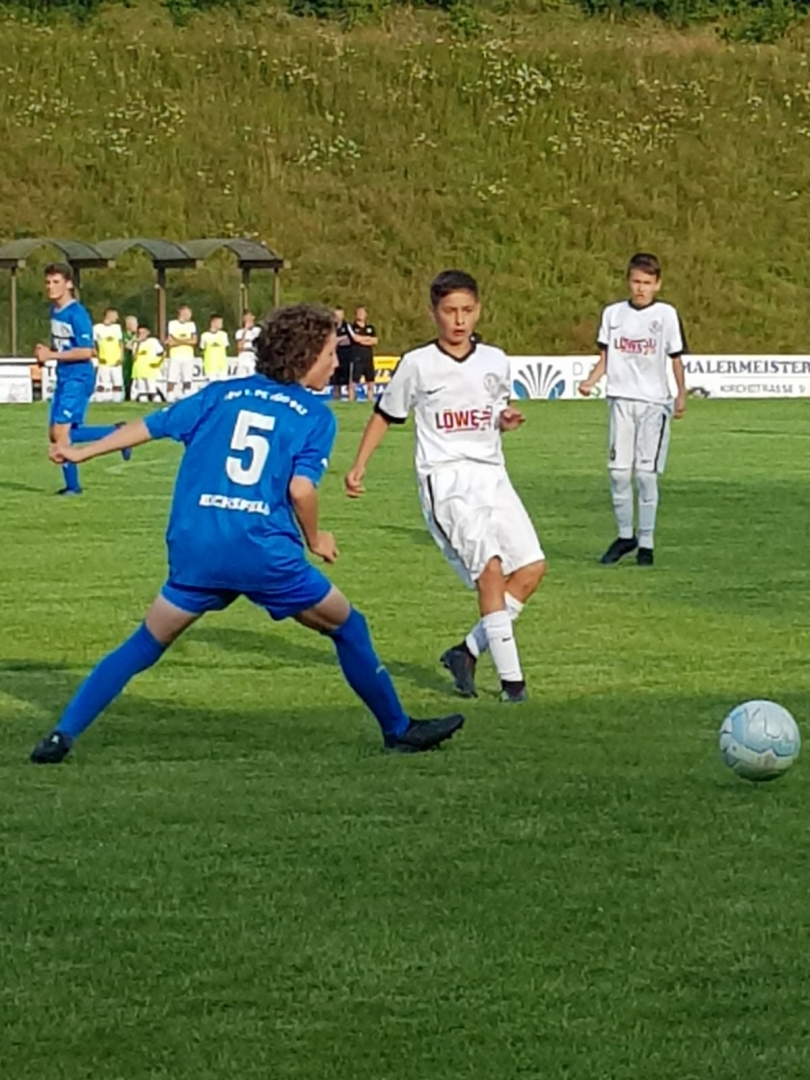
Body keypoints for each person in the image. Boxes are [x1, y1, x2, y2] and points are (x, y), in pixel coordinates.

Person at [30, 303, 464, 764]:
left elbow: (151, 426)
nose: (336, 363)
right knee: (348, 625)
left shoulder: (222, 394)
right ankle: (398, 729)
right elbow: (301, 489)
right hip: (261, 551)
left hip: (199, 544)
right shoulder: (315, 415)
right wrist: (316, 539)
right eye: (329, 354)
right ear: (305, 355)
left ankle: (62, 735)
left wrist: (85, 451)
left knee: (145, 642)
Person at [344, 270, 546, 703]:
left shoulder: (495, 359)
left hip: (492, 474)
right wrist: (359, 465)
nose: (459, 320)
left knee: (530, 570)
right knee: (490, 571)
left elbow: (493, 409)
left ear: (479, 311)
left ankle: (466, 652)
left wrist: (504, 419)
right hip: (446, 478)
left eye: (467, 311)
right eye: (450, 311)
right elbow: (386, 415)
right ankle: (514, 688)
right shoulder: (418, 364)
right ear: (433, 311)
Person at [578, 252, 687, 567]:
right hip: (620, 400)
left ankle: (647, 543)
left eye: (647, 283)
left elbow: (675, 358)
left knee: (645, 475)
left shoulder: (666, 315)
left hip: (653, 404)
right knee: (618, 473)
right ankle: (626, 535)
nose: (640, 288)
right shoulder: (613, 314)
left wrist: (681, 394)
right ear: (628, 282)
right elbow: (608, 356)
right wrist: (591, 380)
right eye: (636, 281)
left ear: (657, 284)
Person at [34, 263, 129, 497]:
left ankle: (73, 488)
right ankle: (118, 433)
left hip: (79, 377)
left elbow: (87, 351)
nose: (50, 287)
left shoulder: (77, 314)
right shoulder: (54, 311)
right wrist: (46, 354)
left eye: (56, 282)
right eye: (48, 282)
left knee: (60, 434)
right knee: (58, 434)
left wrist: (52, 355)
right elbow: (62, 344)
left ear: (69, 284)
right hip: (64, 376)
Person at [165, 303, 197, 400]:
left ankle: (186, 395)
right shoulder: (172, 324)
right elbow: (170, 341)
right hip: (175, 355)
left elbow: (194, 340)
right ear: (181, 313)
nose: (190, 315)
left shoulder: (191, 325)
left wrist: (178, 341)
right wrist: (186, 341)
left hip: (188, 355)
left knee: (187, 378)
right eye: (187, 313)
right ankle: (170, 396)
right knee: (172, 377)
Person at [93, 307, 124, 402]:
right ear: (109, 315)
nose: (117, 317)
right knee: (103, 383)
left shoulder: (117, 328)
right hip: (104, 360)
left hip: (116, 360)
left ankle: (117, 400)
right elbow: (93, 344)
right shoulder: (97, 328)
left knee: (117, 383)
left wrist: (121, 357)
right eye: (115, 315)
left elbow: (120, 343)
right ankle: (100, 400)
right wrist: (98, 357)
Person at [349, 305, 378, 404]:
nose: (361, 315)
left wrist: (363, 340)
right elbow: (355, 339)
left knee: (370, 381)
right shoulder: (352, 327)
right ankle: (351, 401)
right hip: (357, 357)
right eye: (359, 312)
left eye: (363, 313)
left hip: (368, 357)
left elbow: (375, 341)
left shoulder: (370, 328)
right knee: (354, 382)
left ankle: (370, 399)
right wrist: (367, 339)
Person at [131, 324, 165, 402]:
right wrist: (138, 344)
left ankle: (155, 402)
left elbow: (162, 353)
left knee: (152, 389)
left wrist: (158, 363)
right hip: (139, 370)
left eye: (143, 333)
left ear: (148, 333)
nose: (141, 335)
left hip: (150, 370)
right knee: (142, 391)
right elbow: (134, 358)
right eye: (139, 333)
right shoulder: (136, 344)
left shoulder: (153, 341)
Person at [331, 306, 355, 401]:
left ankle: (351, 400)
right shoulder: (331, 326)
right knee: (336, 381)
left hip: (347, 356)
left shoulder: (347, 326)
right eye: (336, 315)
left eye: (340, 315)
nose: (338, 317)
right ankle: (336, 399)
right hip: (335, 355)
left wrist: (338, 340)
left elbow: (353, 338)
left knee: (349, 380)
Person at [200, 314, 230, 382]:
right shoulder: (204, 335)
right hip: (210, 366)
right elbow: (202, 348)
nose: (221, 324)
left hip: (222, 366)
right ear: (213, 322)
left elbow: (226, 347)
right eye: (220, 322)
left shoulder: (224, 335)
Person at [234, 310, 260, 377]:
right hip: (243, 355)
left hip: (253, 355)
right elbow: (240, 346)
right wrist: (245, 330)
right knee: (242, 375)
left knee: (253, 374)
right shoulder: (240, 332)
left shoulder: (257, 330)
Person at [122, 314, 139, 401]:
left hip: (133, 361)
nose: (137, 326)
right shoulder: (124, 335)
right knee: (125, 378)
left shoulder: (136, 336)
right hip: (126, 360)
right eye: (134, 324)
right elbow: (126, 346)